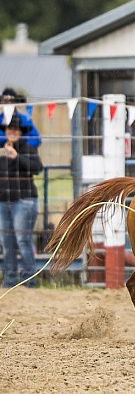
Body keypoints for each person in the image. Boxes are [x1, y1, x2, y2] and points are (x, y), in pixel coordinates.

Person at [0, 115, 44, 288]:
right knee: (6, 242)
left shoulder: (27, 148)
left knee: (22, 240)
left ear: (20, 132)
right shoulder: (1, 151)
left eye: (15, 129)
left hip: (24, 201)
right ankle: (10, 280)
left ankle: (28, 281)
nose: (12, 132)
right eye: (9, 129)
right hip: (3, 201)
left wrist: (17, 157)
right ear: (5, 131)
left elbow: (37, 168)